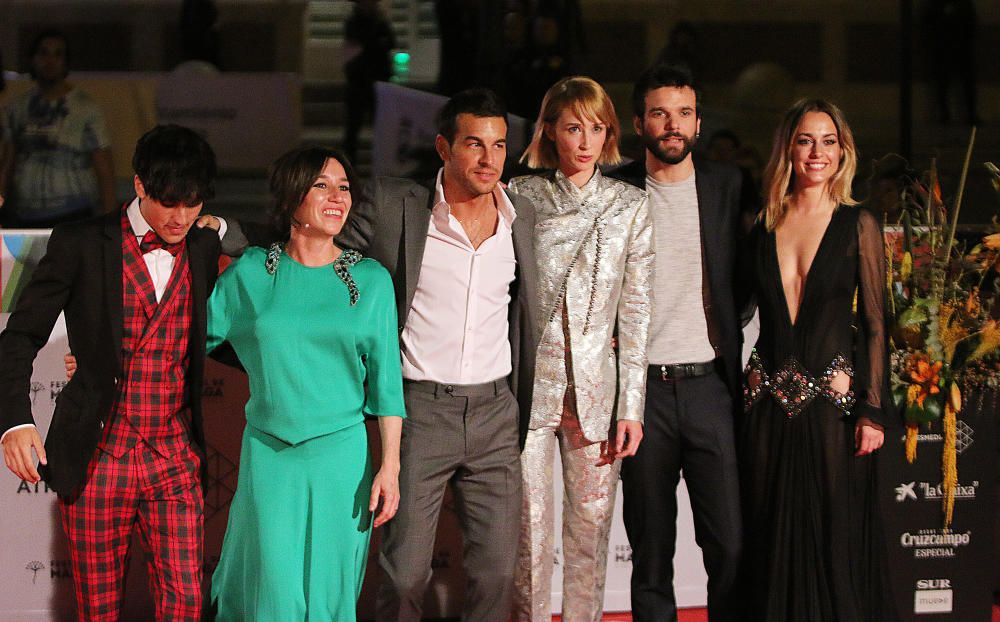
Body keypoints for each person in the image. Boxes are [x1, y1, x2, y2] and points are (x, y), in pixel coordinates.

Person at [220, 88, 539, 622]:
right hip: (420, 409)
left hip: (496, 413)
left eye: (499, 146)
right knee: (406, 571)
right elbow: (315, 234)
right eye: (474, 144)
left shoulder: (521, 215)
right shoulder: (396, 206)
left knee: (496, 573)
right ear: (443, 147)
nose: (489, 160)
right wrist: (231, 235)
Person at [0, 124, 220, 620]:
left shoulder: (203, 245)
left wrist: (222, 226)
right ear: (139, 185)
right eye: (170, 203)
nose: (182, 217)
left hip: (174, 457)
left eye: (194, 204)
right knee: (98, 611)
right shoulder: (82, 243)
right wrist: (15, 421)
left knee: (185, 605)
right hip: (98, 456)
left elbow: (234, 244)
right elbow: (20, 336)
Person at [206, 147, 405, 620]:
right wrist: (107, 363)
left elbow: (387, 384)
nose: (337, 197)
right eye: (322, 185)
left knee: (330, 597)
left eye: (344, 187)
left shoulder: (371, 281)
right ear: (292, 197)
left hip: (343, 461)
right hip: (271, 460)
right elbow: (184, 343)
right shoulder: (250, 273)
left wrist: (390, 466)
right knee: (271, 595)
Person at [506, 76, 652, 621]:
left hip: (598, 395)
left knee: (590, 537)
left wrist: (631, 407)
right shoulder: (521, 197)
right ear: (550, 132)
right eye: (572, 128)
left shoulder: (629, 205)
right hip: (530, 394)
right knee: (529, 539)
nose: (585, 141)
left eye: (596, 128)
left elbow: (635, 314)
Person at [741, 99, 890, 621]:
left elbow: (875, 323)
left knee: (833, 536)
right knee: (767, 532)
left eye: (828, 141)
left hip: (834, 407)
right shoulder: (762, 223)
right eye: (806, 140)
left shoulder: (858, 225)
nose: (817, 152)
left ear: (842, 150)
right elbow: (735, 308)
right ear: (789, 148)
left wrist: (873, 409)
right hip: (765, 407)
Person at [607, 63, 746, 622]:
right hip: (641, 397)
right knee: (650, 552)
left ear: (698, 122)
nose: (673, 125)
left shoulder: (726, 185)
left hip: (710, 387)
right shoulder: (613, 189)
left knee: (731, 544)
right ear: (639, 123)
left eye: (683, 113)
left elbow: (746, 275)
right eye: (660, 113)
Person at [0, 29, 116, 228]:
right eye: (43, 53)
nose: (50, 61)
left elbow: (104, 170)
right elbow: (7, 164)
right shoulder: (17, 108)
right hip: (25, 216)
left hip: (73, 215)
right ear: (33, 59)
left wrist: (111, 224)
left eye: (57, 54)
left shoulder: (86, 108)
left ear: (66, 62)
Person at [343, 0, 396, 163]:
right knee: (353, 124)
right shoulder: (353, 23)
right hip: (359, 80)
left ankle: (382, 162)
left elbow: (391, 42)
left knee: (380, 125)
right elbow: (358, 45)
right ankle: (349, 162)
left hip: (378, 79)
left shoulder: (381, 22)